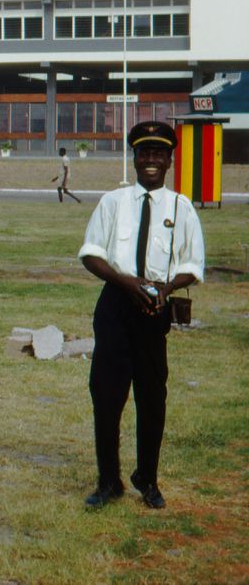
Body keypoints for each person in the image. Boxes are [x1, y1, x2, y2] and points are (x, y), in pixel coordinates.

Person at [78, 120, 204, 510]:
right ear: (134, 158)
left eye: (158, 153)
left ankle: (147, 478)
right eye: (143, 153)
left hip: (154, 309)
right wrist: (125, 282)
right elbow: (92, 254)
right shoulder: (113, 203)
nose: (150, 160)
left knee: (152, 398)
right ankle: (108, 480)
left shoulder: (181, 208)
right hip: (116, 305)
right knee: (107, 396)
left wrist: (164, 289)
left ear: (169, 160)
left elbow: (193, 265)